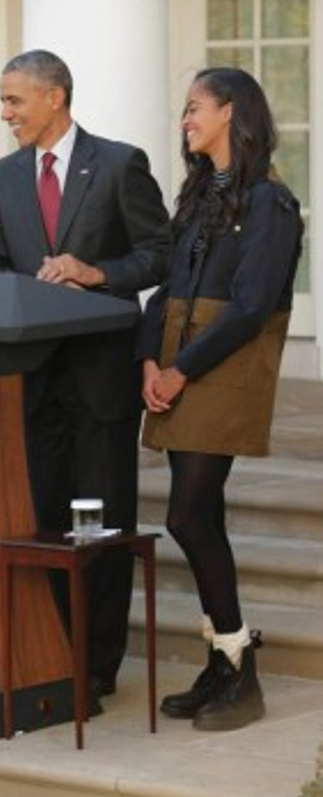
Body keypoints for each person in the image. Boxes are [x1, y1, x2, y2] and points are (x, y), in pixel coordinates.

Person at [0, 49, 171, 702]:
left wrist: (94, 272)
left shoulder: (118, 164)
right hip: (33, 381)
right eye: (2, 101)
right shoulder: (1, 178)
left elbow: (158, 254)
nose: (5, 114)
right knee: (49, 525)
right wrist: (23, 285)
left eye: (13, 100)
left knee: (103, 525)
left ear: (53, 96)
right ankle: (55, 652)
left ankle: (95, 666)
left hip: (101, 380)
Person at [138, 67, 303, 731]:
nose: (185, 120)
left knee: (186, 515)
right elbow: (164, 290)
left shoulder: (268, 202)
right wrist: (150, 357)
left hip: (221, 371)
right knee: (198, 515)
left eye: (194, 108)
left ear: (233, 112)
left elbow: (251, 305)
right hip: (180, 363)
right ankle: (222, 662)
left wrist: (180, 370)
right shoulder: (201, 194)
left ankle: (238, 665)